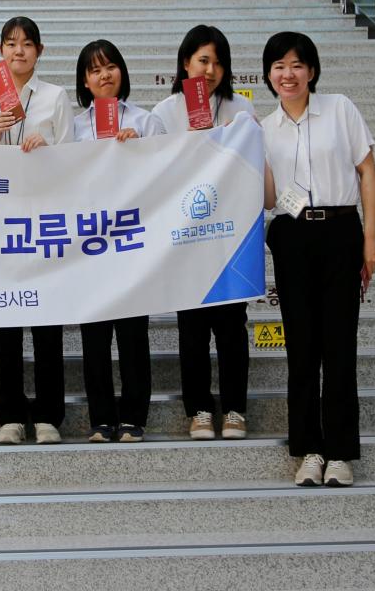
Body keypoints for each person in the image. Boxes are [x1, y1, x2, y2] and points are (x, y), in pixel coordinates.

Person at [261, 31, 375, 488]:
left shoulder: (340, 109)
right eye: (278, 66)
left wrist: (370, 238)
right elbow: (272, 197)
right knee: (302, 349)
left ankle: (342, 452)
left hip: (341, 230)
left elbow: (367, 169)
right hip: (291, 233)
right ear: (269, 74)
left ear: (311, 70)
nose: (287, 75)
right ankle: (309, 450)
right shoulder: (263, 128)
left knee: (339, 344)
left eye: (296, 65)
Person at [0, 16, 74, 445]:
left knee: (47, 318)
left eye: (27, 44)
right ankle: (10, 414)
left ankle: (48, 414)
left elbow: (73, 159)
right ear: (0, 51)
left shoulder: (56, 96)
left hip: (44, 219)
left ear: (39, 51)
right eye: (11, 44)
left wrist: (47, 150)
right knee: (5, 317)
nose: (19, 51)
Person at [153, 25, 257, 442]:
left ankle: (234, 409)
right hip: (185, 238)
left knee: (232, 328)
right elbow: (153, 174)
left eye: (218, 62)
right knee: (191, 329)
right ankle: (198, 409)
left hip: (229, 237)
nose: (211, 69)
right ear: (185, 63)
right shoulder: (164, 112)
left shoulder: (240, 110)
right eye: (203, 60)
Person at [72, 39, 165, 444]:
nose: (104, 75)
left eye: (110, 67)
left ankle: (133, 417)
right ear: (85, 81)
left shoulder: (146, 122)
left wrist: (140, 151)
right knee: (93, 335)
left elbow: (167, 173)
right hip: (89, 243)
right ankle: (101, 418)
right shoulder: (73, 127)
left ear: (121, 72)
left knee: (132, 333)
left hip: (132, 240)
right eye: (94, 70)